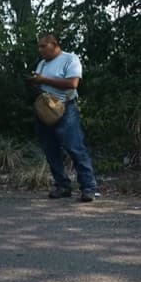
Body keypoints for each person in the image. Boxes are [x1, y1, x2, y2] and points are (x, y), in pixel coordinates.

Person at [29, 34, 97, 202]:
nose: (40, 50)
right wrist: (34, 81)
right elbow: (39, 83)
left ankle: (88, 187)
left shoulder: (70, 59)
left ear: (54, 44)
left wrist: (43, 79)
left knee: (74, 147)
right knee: (50, 149)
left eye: (43, 46)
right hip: (44, 109)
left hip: (65, 107)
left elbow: (73, 83)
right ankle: (62, 185)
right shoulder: (42, 63)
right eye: (39, 47)